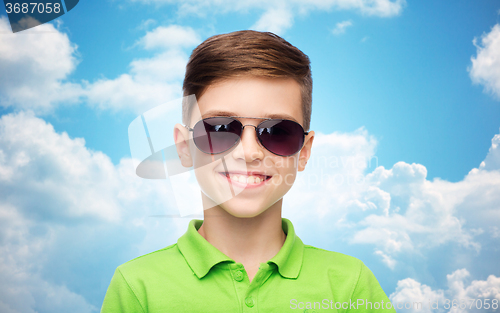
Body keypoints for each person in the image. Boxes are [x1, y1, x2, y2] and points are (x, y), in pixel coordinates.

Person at [101, 30, 396, 312]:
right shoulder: (137, 287)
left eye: (278, 131)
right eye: (218, 129)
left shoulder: (350, 285)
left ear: (304, 152)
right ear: (183, 147)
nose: (249, 152)